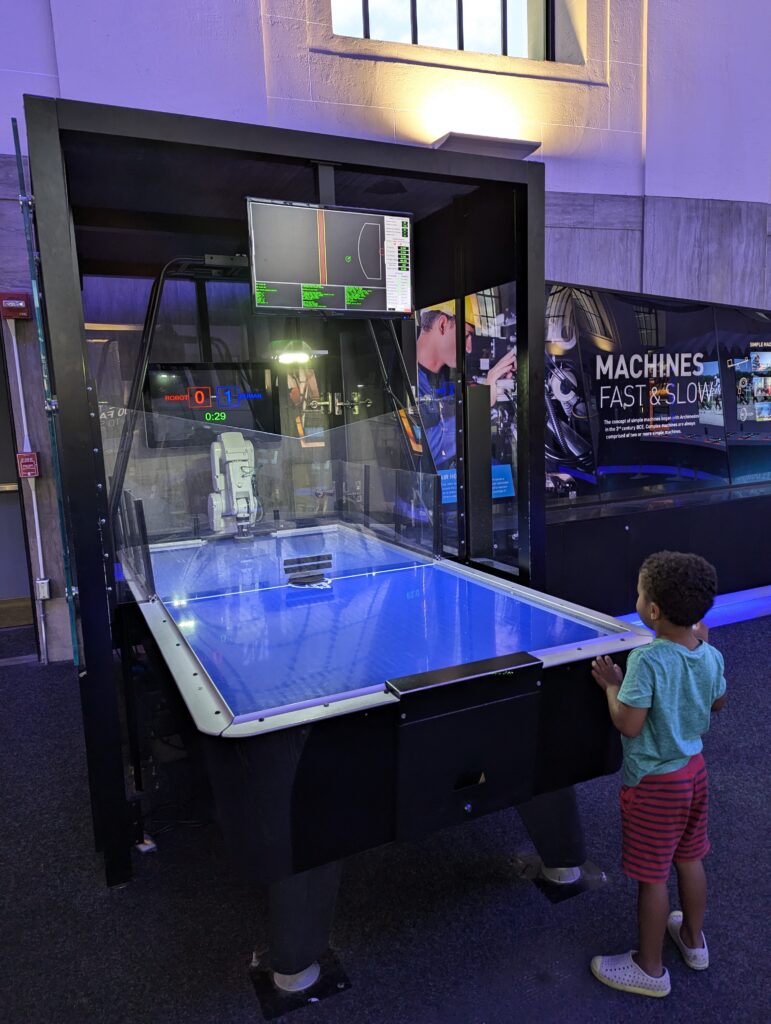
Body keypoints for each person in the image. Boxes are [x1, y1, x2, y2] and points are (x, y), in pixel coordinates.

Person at [589, 550, 727, 998]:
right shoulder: (710, 655)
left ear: (651, 610)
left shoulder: (645, 662)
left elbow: (628, 722)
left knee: (653, 877)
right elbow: (717, 703)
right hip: (695, 772)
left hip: (654, 784)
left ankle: (649, 970)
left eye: (639, 592)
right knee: (690, 858)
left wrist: (612, 685)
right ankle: (692, 940)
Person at [416, 303, 516, 469]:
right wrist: (481, 402)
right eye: (466, 335)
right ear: (442, 324)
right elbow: (423, 450)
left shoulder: (449, 378)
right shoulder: (405, 378)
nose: (469, 349)